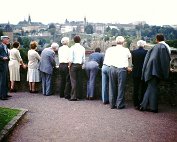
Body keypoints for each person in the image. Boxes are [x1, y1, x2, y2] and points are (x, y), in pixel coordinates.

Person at [139, 34, 171, 113]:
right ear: (164, 39)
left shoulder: (156, 47)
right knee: (152, 88)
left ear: (157, 39)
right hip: (156, 71)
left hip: (152, 71)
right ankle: (148, 107)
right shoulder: (165, 47)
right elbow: (165, 61)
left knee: (151, 88)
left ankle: (146, 106)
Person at [109, 36, 131, 109]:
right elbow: (129, 57)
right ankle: (119, 104)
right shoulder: (126, 50)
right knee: (121, 87)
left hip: (112, 68)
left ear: (116, 42)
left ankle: (112, 104)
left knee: (112, 87)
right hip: (121, 69)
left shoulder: (111, 49)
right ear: (123, 42)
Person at [68, 35, 85, 101]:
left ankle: (73, 96)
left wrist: (69, 66)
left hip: (73, 65)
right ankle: (80, 96)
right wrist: (81, 64)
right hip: (80, 65)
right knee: (79, 81)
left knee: (73, 81)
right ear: (80, 40)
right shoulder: (82, 48)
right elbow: (83, 59)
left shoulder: (72, 47)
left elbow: (71, 59)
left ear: (74, 40)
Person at [131, 40, 147, 109]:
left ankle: (135, 103)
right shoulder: (146, 52)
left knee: (136, 88)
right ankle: (142, 102)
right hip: (143, 72)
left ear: (137, 45)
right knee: (143, 88)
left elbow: (133, 62)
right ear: (144, 45)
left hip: (135, 71)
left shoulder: (134, 52)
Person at [0, 36, 11, 100]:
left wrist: (7, 57)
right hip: (1, 66)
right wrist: (2, 57)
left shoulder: (5, 46)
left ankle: (5, 94)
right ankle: (1, 96)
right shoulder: (0, 46)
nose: (8, 40)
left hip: (6, 65)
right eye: (7, 39)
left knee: (6, 80)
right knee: (2, 81)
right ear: (3, 40)